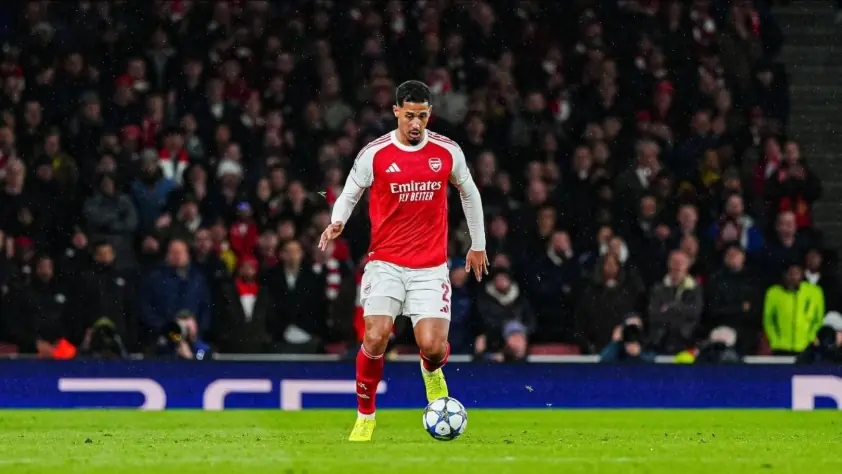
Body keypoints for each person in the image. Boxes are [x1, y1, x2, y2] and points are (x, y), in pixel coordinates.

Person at [319, 80, 487, 442]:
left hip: (430, 267)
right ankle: (365, 417)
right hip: (386, 263)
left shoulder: (447, 151)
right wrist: (337, 220)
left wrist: (478, 244)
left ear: (430, 114)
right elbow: (350, 192)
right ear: (396, 111)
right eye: (409, 115)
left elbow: (470, 193)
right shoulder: (375, 153)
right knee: (375, 337)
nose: (415, 123)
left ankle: (432, 371)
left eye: (422, 116)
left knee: (433, 347)